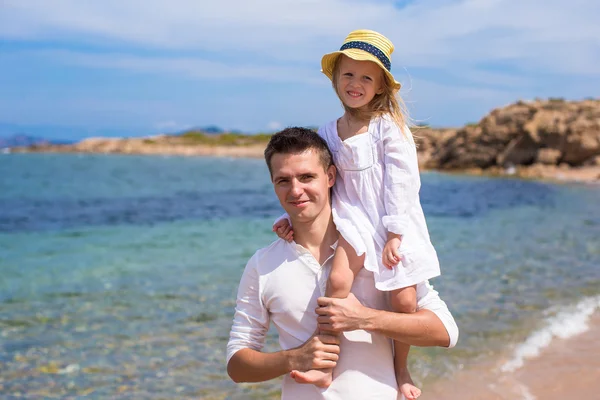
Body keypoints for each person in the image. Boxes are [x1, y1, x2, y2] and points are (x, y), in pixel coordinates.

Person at [227, 127, 458, 400]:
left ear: (330, 176)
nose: (296, 190)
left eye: (306, 177)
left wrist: (364, 319)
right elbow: (237, 366)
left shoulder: (378, 249)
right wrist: (294, 359)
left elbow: (445, 331)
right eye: (283, 181)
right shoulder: (262, 264)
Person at [272, 29, 442, 399]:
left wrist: (396, 232)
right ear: (335, 79)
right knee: (337, 284)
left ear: (380, 87)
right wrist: (296, 220)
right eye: (348, 74)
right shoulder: (328, 132)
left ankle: (401, 370)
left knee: (404, 302)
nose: (356, 83)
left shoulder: (387, 128)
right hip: (353, 222)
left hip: (392, 223)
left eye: (367, 77)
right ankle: (324, 368)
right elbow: (322, 183)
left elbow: (402, 182)